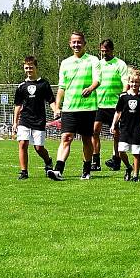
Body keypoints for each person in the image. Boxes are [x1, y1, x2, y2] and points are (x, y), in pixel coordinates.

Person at [46, 31, 100, 181]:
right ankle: (58, 170)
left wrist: (90, 88)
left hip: (87, 108)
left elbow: (97, 80)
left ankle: (86, 169)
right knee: (66, 137)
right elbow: (62, 87)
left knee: (87, 140)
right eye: (73, 42)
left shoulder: (93, 60)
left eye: (79, 42)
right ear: (70, 44)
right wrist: (57, 107)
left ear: (84, 43)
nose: (76, 45)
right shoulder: (65, 63)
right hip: (69, 108)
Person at [12, 56, 56, 179]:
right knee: (22, 144)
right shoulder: (21, 86)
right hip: (24, 119)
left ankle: (48, 161)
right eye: (26, 67)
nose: (29, 70)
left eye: (31, 67)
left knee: (38, 147)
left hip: (39, 120)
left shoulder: (44, 84)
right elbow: (17, 105)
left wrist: (56, 110)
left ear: (36, 67)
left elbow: (51, 100)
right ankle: (24, 172)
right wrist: (15, 122)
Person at [93, 39, 128, 171]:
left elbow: (125, 82)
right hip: (100, 104)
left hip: (115, 105)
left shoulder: (120, 64)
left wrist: (123, 97)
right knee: (94, 131)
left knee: (116, 133)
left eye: (106, 50)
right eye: (102, 50)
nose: (104, 53)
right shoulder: (98, 64)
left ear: (112, 50)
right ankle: (95, 161)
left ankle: (116, 159)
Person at [111, 70, 140, 182]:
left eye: (137, 82)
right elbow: (118, 111)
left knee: (136, 153)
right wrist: (113, 124)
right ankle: (128, 167)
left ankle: (136, 175)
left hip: (137, 128)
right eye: (132, 82)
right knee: (121, 151)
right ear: (128, 82)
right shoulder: (123, 96)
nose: (134, 84)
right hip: (125, 128)